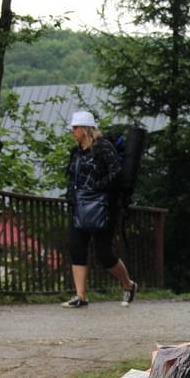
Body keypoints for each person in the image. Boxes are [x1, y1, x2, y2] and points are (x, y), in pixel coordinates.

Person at [62, 110, 137, 308]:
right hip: (80, 206)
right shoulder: (76, 152)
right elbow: (72, 177)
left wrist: (97, 186)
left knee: (104, 253)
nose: (73, 131)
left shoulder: (103, 147)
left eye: (75, 127)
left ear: (85, 129)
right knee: (77, 247)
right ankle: (81, 295)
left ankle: (128, 284)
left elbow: (116, 172)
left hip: (104, 207)